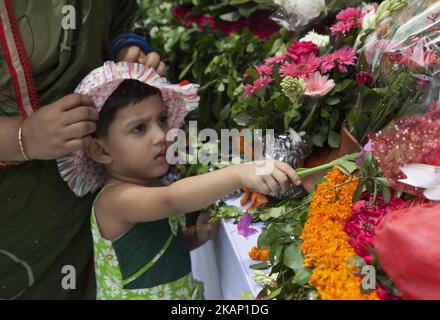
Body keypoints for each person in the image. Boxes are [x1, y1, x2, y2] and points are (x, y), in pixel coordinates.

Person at [56, 61, 303, 300]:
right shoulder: (114, 201)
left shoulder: (146, 185)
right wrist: (238, 173)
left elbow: (156, 253)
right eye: (139, 128)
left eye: (162, 120)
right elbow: (172, 199)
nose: (161, 136)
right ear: (100, 151)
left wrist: (195, 237)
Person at [0, 0, 166, 299]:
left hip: (90, 194)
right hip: (17, 221)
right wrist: (22, 136)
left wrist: (125, 51)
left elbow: (119, 18)